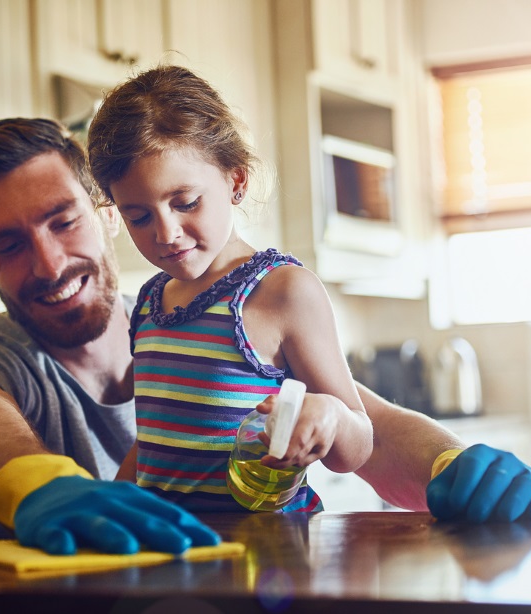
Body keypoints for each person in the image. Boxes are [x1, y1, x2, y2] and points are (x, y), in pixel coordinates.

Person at [0, 114, 531, 557]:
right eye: (7, 244)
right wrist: (36, 486)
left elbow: (356, 416)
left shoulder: (189, 313)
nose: (50, 263)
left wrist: (450, 463)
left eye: (63, 221)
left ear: (104, 217)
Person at [85, 65, 373, 512]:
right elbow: (154, 448)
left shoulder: (283, 292)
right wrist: (107, 506)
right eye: (138, 216)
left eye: (185, 203)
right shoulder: (148, 302)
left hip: (265, 559)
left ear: (235, 181)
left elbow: (357, 447)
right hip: (173, 556)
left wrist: (331, 417)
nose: (166, 233)